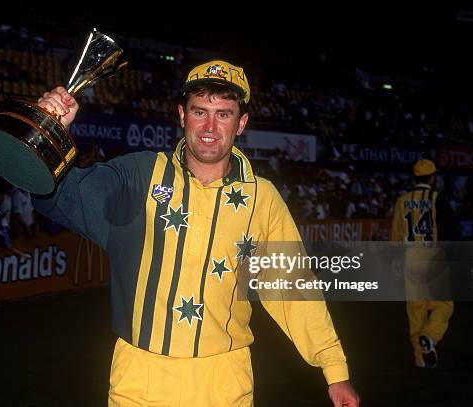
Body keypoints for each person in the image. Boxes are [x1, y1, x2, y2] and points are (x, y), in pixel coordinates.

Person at [32, 60, 359, 406]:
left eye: (223, 114)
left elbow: (293, 289)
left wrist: (335, 369)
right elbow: (58, 196)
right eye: (199, 111)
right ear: (181, 115)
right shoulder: (141, 174)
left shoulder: (261, 198)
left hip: (224, 383)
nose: (209, 126)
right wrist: (47, 133)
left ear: (241, 122)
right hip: (140, 379)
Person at [390, 159, 457, 368]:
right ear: (432, 177)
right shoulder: (438, 198)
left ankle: (421, 358)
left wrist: (395, 261)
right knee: (444, 306)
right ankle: (430, 336)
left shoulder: (402, 201)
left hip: (411, 259)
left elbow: (396, 235)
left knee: (416, 310)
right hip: (433, 258)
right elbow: (450, 233)